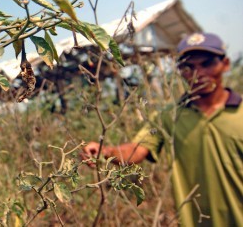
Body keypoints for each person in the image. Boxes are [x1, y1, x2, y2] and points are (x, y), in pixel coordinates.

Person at [81, 32, 243, 226]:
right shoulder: (168, 117)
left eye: (206, 64)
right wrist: (105, 152)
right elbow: (136, 151)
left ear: (224, 64)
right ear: (180, 71)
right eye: (188, 67)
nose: (198, 73)